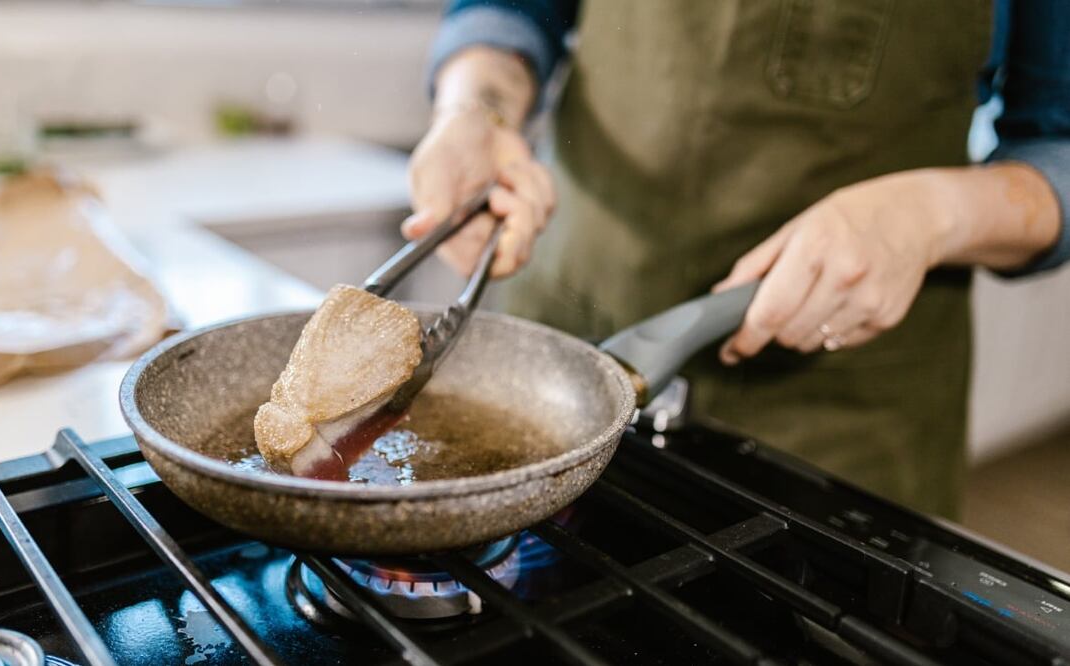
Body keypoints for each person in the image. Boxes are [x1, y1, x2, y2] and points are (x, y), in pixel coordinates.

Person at [403, 0, 1070, 518]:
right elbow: (512, 11)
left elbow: (1058, 146)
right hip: (560, 360)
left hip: (840, 423)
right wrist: (475, 108)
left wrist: (931, 214)